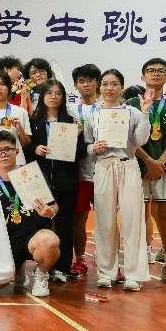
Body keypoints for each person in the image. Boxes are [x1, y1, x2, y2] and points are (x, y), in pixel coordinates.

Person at [85, 69, 151, 291]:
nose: (109, 88)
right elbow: (87, 144)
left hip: (127, 165)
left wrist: (145, 114)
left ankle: (133, 274)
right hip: (103, 166)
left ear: (122, 87)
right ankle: (106, 272)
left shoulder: (132, 112)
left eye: (114, 84)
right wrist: (93, 148)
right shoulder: (93, 114)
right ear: (100, 87)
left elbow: (141, 140)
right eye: (105, 84)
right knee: (104, 221)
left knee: (132, 220)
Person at [126, 58, 166, 286]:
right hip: (137, 167)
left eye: (161, 71)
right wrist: (149, 161)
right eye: (151, 70)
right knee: (138, 217)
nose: (156, 74)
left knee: (165, 216)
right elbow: (129, 138)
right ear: (143, 77)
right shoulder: (132, 102)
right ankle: (137, 268)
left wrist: (159, 162)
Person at [0, 130, 60, 297]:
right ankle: (16, 270)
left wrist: (50, 212)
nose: (3, 154)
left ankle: (41, 274)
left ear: (17, 151)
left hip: (33, 237)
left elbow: (54, 206)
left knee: (50, 241)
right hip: (4, 242)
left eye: (7, 149)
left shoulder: (31, 175)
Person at [25, 80, 86, 283]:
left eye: (58, 93)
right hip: (40, 181)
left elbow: (81, 154)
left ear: (63, 97)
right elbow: (25, 149)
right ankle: (43, 266)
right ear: (42, 97)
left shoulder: (71, 122)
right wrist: (35, 149)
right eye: (49, 93)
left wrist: (77, 136)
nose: (53, 96)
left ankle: (62, 268)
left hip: (66, 181)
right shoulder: (34, 121)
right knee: (41, 223)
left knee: (65, 224)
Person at [67, 63, 101, 278]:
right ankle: (79, 259)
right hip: (79, 173)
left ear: (97, 83)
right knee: (78, 219)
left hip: (104, 171)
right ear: (75, 85)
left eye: (90, 80)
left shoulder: (107, 109)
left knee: (106, 219)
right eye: (81, 81)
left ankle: (108, 261)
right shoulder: (70, 110)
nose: (86, 84)